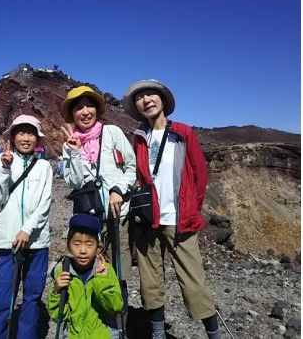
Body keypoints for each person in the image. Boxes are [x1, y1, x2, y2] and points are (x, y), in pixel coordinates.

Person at [122, 79, 221, 339]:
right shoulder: (138, 138)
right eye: (140, 97)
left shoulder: (184, 133)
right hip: (148, 219)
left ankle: (213, 333)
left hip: (179, 219)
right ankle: (157, 333)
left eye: (150, 94)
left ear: (163, 100)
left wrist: (190, 208)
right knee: (150, 281)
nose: (146, 100)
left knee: (193, 281)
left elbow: (200, 175)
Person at [60, 86, 137, 279]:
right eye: (79, 108)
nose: (85, 112)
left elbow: (132, 166)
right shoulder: (68, 145)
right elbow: (75, 183)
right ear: (72, 113)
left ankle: (120, 306)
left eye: (89, 106)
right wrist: (75, 152)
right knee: (94, 269)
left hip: (117, 212)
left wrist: (118, 190)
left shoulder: (112, 132)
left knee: (120, 266)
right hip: (89, 216)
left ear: (97, 109)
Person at [0, 114, 53, 339]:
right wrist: (6, 169)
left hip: (37, 241)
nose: (26, 138)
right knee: (3, 298)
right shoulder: (1, 161)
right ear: (13, 137)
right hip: (9, 239)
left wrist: (27, 229)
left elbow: (45, 203)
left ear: (37, 138)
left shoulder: (44, 166)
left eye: (31, 133)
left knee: (32, 298)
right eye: (21, 133)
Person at [48, 213, 124, 338]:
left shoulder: (107, 270)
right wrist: (57, 292)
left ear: (98, 248)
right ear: (69, 246)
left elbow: (114, 307)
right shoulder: (62, 272)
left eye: (89, 244)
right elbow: (58, 316)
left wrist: (102, 280)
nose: (83, 250)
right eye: (77, 244)